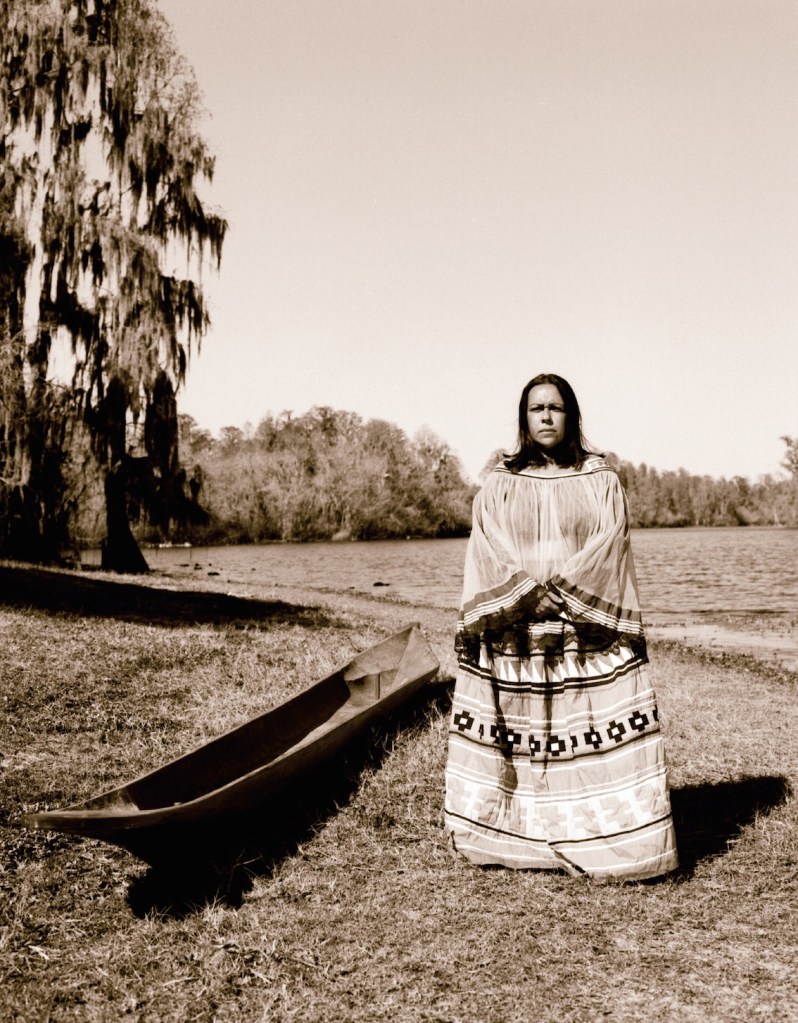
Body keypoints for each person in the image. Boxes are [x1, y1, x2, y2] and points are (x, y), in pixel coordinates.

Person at [444, 372, 678, 881]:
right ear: (524, 419)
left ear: (571, 416)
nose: (546, 416)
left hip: (581, 627)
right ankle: (511, 834)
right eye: (536, 409)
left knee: (586, 725)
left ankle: (608, 836)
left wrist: (565, 590)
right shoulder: (500, 483)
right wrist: (526, 592)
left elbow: (609, 542)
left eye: (555, 407)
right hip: (519, 623)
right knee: (525, 731)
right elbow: (487, 545)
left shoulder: (601, 480)